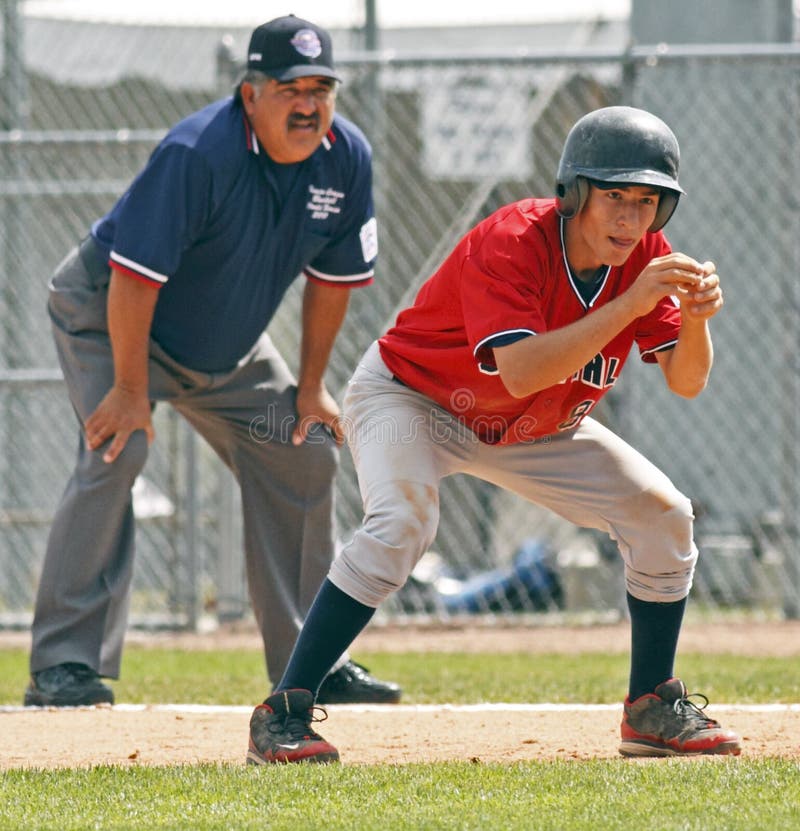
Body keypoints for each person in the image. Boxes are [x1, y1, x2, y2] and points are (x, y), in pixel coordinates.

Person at [246, 105, 742, 764]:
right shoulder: (512, 240)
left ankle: (651, 705)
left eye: (647, 200)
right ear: (575, 192)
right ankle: (283, 711)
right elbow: (519, 368)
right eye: (614, 195)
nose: (630, 217)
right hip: (414, 397)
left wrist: (698, 319)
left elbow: (686, 380)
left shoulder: (642, 256)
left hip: (535, 424)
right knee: (402, 524)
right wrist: (632, 303)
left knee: (664, 514)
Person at [25, 14, 400, 708]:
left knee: (305, 448)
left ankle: (309, 659)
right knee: (120, 447)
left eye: (323, 88)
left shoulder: (346, 158)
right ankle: (63, 664)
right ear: (249, 93)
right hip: (110, 317)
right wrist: (131, 391)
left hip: (225, 351)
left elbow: (333, 281)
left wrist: (311, 389)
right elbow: (133, 279)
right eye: (291, 88)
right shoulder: (199, 153)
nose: (310, 104)